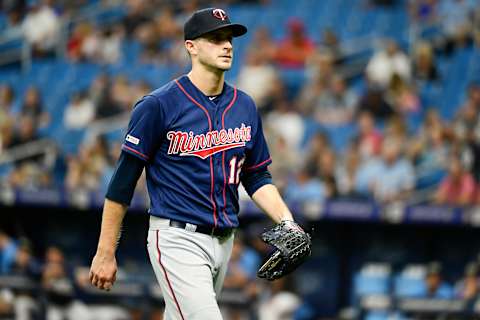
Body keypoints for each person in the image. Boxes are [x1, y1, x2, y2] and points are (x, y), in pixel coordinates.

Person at [89, 8, 303, 320]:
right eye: (216, 39)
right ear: (191, 46)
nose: (227, 45)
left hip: (225, 240)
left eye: (229, 39)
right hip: (177, 238)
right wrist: (105, 252)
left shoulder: (244, 105)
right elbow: (121, 184)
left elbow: (257, 177)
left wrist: (287, 221)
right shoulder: (159, 105)